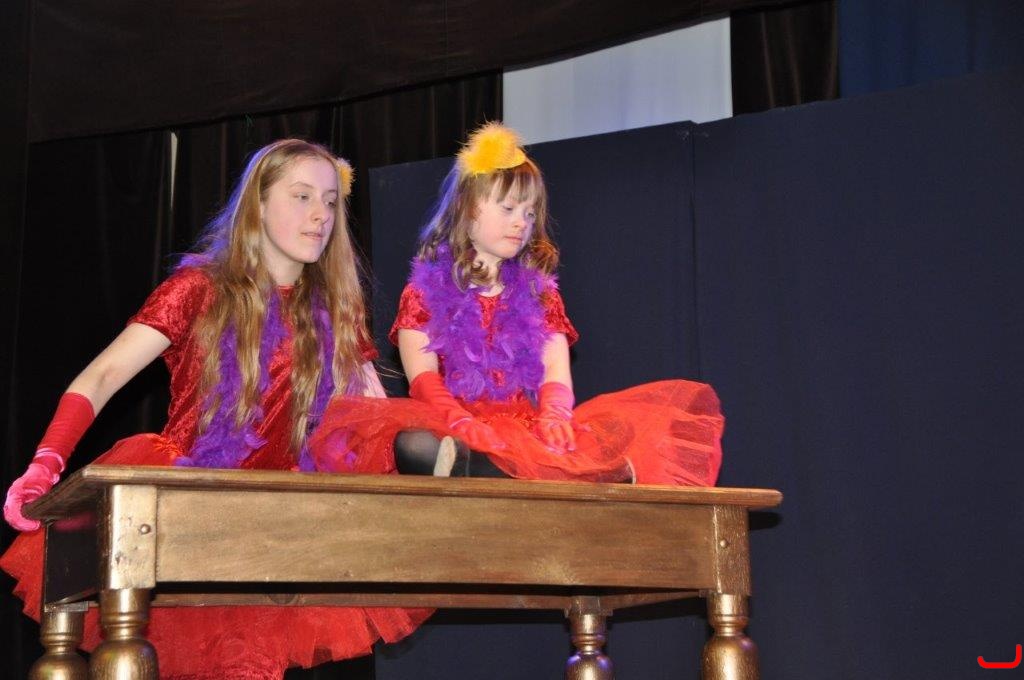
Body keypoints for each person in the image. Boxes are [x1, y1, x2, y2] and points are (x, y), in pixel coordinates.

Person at [1, 139, 429, 678]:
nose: (321, 214)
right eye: (302, 196)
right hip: (186, 507)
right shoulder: (198, 288)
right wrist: (45, 462)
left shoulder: (334, 308)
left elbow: (372, 413)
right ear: (258, 204)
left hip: (278, 516)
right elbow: (103, 375)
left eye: (329, 201)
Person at [311, 123, 724, 486]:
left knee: (643, 432)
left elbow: (556, 371)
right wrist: (460, 421)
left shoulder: (540, 294)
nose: (520, 223)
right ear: (467, 210)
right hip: (454, 423)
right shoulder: (422, 293)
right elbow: (423, 379)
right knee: (413, 445)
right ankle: (530, 473)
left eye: (529, 213)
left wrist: (555, 417)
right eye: (508, 208)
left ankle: (539, 468)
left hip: (525, 428)